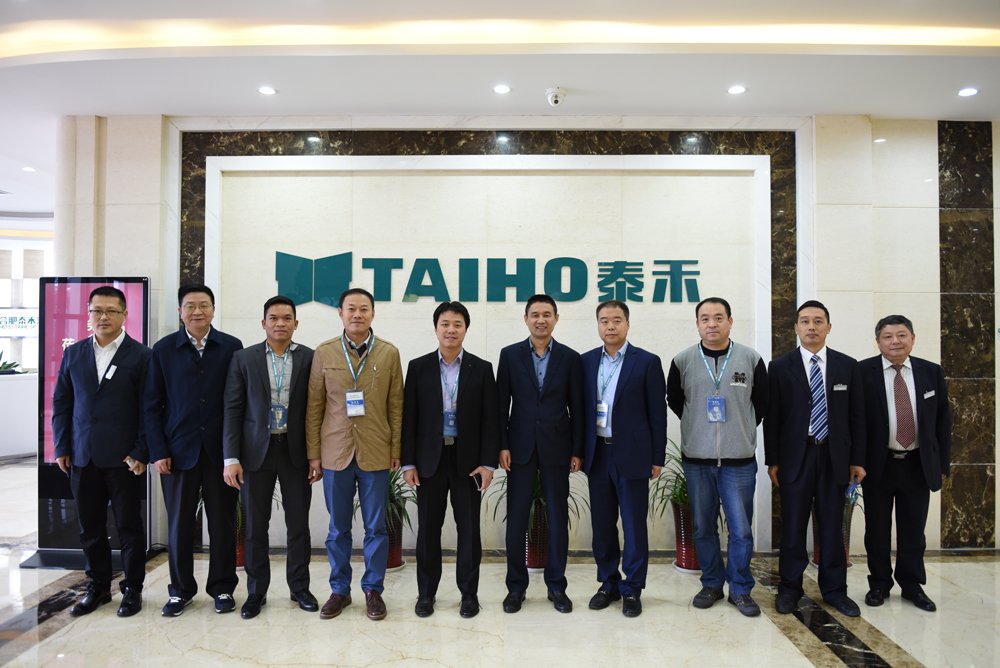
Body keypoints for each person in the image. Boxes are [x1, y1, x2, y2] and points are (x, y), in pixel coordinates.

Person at [52, 286, 151, 618]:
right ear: (89, 314)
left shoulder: (141, 356)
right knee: (90, 527)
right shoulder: (74, 353)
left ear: (124, 315)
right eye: (97, 310)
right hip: (83, 456)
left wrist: (141, 451)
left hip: (124, 459)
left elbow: (149, 408)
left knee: (129, 527)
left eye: (111, 311)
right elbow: (62, 403)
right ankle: (97, 587)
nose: (103, 317)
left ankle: (132, 588)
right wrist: (63, 445)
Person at [306, 288, 404, 621]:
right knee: (338, 528)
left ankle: (373, 590)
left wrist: (396, 449)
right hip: (335, 453)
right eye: (351, 309)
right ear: (340, 313)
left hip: (376, 452)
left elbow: (396, 406)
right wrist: (314, 455)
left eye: (364, 309)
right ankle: (340, 590)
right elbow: (314, 407)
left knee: (376, 527)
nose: (357, 314)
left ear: (373, 314)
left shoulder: (389, 353)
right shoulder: (325, 352)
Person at [146, 284, 243, 616]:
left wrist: (235, 453)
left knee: (222, 524)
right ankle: (180, 590)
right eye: (190, 306)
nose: (197, 311)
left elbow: (238, 403)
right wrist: (158, 451)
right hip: (177, 453)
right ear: (180, 311)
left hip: (220, 454)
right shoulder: (163, 350)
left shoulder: (231, 347)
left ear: (214, 309)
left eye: (204, 305)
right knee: (178, 526)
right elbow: (151, 405)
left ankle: (222, 588)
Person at [764, 300, 866, 617]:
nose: (811, 326)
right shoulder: (780, 367)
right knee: (793, 526)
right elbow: (772, 417)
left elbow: (857, 418)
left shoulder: (848, 366)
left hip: (835, 457)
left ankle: (835, 591)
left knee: (832, 526)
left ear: (829, 327)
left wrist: (857, 460)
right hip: (796, 456)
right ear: (796, 327)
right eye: (805, 321)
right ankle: (789, 589)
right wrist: (773, 461)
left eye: (818, 321)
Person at [667, 297, 767, 617]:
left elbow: (761, 404)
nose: (712, 324)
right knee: (703, 528)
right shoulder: (682, 361)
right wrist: (699, 430)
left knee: (741, 530)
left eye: (718, 317)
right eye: (705, 318)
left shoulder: (750, 359)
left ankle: (740, 589)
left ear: (730, 321)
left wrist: (740, 430)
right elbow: (676, 401)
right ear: (697, 324)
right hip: (697, 460)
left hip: (739, 461)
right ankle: (711, 583)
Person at [222, 296, 319, 619]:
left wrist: (315, 455)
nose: (280, 323)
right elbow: (232, 410)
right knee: (254, 526)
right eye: (274, 318)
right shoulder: (243, 358)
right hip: (255, 453)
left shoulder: (309, 358)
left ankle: (299, 588)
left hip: (295, 451)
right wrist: (230, 458)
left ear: (296, 323)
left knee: (298, 525)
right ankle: (256, 591)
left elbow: (316, 409)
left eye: (286, 318)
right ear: (263, 323)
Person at [402, 301, 499, 619]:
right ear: (436, 329)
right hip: (429, 461)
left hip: (468, 462)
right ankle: (426, 594)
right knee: (428, 530)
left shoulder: (481, 368)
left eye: (458, 324)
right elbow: (409, 418)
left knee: (469, 531)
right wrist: (408, 463)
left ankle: (469, 595)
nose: (451, 330)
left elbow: (491, 419)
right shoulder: (418, 367)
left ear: (466, 329)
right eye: (445, 324)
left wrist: (488, 464)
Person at [496, 294, 583, 614]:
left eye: (547, 314)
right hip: (519, 448)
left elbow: (578, 408)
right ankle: (515, 587)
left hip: (557, 448)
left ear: (556, 319)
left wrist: (577, 450)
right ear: (526, 319)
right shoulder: (510, 355)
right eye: (535, 314)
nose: (541, 320)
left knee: (558, 518)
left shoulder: (570, 358)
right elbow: (500, 405)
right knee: (517, 519)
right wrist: (502, 445)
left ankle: (556, 585)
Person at [859, 315, 951, 612]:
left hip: (917, 464)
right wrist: (856, 462)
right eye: (888, 336)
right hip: (878, 464)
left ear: (913, 338)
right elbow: (856, 422)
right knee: (877, 529)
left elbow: (942, 420)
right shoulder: (863, 372)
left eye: (902, 335)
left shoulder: (931, 372)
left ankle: (912, 585)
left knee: (913, 529)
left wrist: (942, 463)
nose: (895, 341)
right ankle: (879, 583)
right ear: (878, 341)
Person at [581, 300, 666, 618]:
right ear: (598, 325)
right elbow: (579, 411)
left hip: (633, 454)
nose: (610, 326)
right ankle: (608, 583)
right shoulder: (586, 362)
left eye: (617, 320)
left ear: (627, 324)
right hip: (598, 454)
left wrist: (657, 457)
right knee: (602, 524)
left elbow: (657, 413)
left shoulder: (647, 362)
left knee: (633, 524)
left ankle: (632, 588)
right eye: (604, 320)